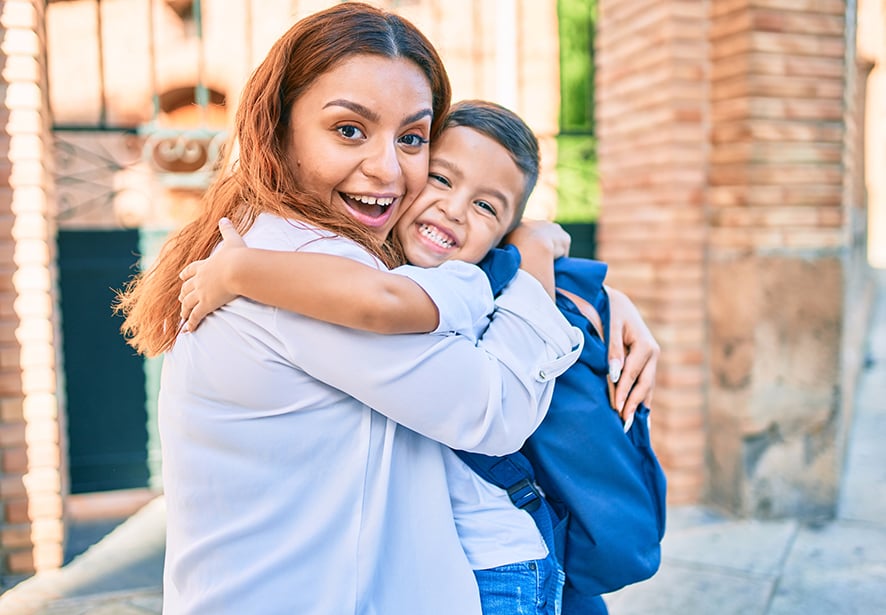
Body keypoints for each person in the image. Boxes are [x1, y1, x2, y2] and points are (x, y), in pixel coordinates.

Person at [115, 5, 590, 614]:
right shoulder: (304, 271)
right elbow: (494, 410)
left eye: (412, 138)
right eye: (349, 130)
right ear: (277, 128)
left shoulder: (280, 247)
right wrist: (533, 260)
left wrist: (595, 295)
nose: (388, 169)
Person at [177, 100, 660, 614]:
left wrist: (238, 272)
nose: (454, 209)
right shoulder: (402, 270)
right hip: (460, 563)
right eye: (442, 180)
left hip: (497, 565)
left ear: (502, 238)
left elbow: (379, 302)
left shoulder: (463, 283)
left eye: (486, 207)